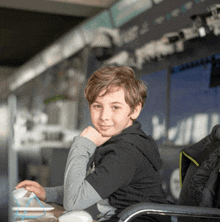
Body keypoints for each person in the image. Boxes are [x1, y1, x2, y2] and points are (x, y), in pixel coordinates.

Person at [16, 66, 171, 222]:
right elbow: (87, 189)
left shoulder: (125, 152)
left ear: (135, 110)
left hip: (134, 219)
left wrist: (82, 144)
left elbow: (74, 202)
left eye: (115, 107)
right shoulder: (117, 142)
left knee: (64, 217)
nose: (104, 116)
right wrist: (47, 193)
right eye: (97, 106)